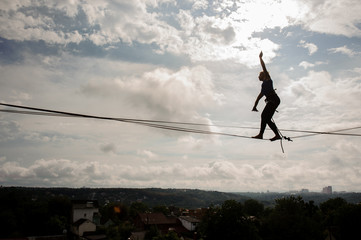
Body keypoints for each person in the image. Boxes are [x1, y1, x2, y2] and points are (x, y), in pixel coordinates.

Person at [252, 51, 281, 141]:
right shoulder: (263, 88)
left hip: (274, 100)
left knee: (264, 116)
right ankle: (276, 135)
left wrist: (260, 58)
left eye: (259, 75)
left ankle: (261, 134)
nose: (258, 77)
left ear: (263, 75)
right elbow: (258, 98)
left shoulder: (267, 79)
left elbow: (264, 67)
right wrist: (254, 106)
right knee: (267, 118)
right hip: (273, 101)